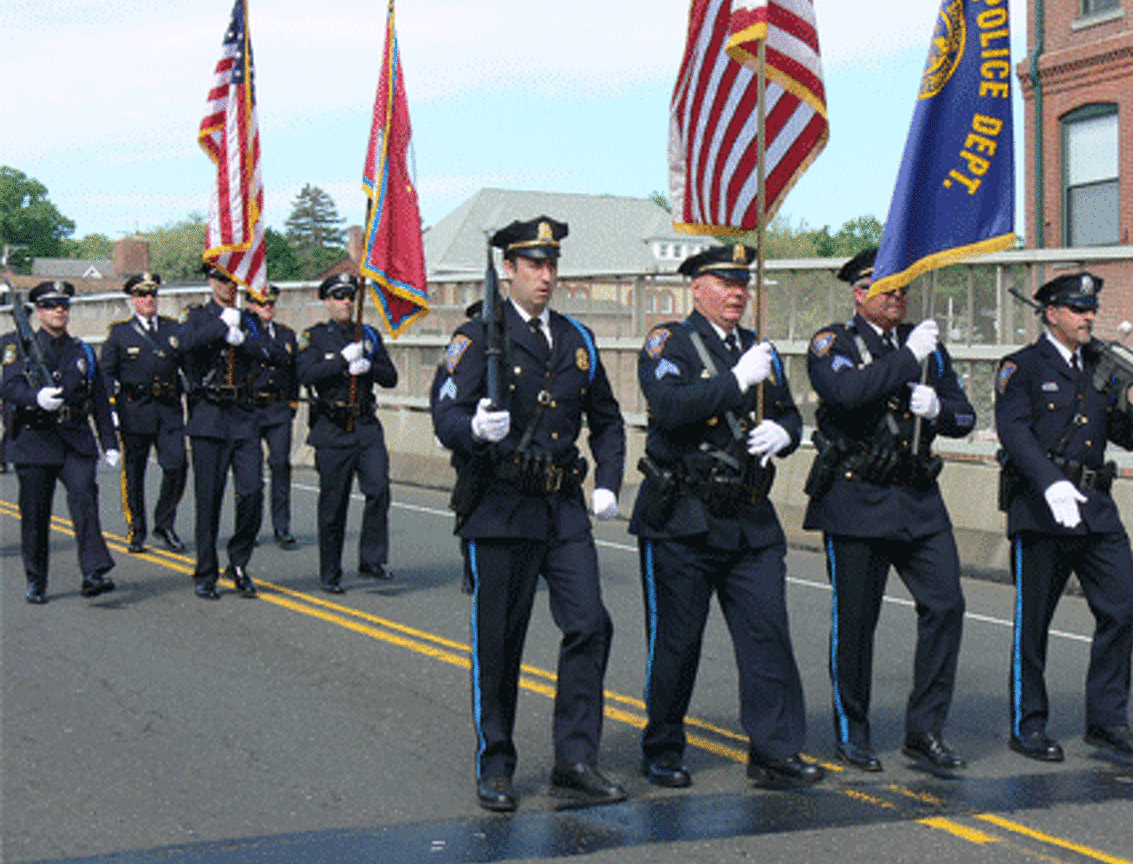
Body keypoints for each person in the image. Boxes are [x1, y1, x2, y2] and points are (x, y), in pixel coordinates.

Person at [430, 216, 626, 813]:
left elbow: (608, 418)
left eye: (552, 265)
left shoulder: (575, 339)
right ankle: (497, 763)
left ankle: (575, 759)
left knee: (590, 622)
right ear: (508, 270)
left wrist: (608, 482)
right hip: (500, 507)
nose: (545, 276)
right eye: (533, 265)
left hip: (561, 508)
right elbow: (444, 414)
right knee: (500, 642)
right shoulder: (476, 337)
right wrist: (472, 429)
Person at [629, 242, 823, 792]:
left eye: (743, 284)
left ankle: (775, 750)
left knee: (767, 637)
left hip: (749, 518)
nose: (736, 293)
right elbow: (668, 407)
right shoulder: (671, 342)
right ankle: (663, 746)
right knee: (677, 641)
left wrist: (786, 432)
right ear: (696, 287)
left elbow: (786, 411)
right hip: (684, 517)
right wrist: (735, 381)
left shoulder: (760, 350)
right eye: (724, 283)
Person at [995, 272, 1133, 762]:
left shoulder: (1099, 366)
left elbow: (1125, 429)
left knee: (1122, 609)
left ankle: (1107, 720)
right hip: (1041, 508)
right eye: (1079, 309)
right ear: (1052, 312)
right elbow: (1014, 433)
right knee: (1033, 623)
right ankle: (1029, 724)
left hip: (1096, 509)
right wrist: (1050, 482)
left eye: (1092, 310)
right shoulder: (1020, 367)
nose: (1089, 318)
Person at [803, 247, 975, 773]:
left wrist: (938, 408)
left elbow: (965, 416)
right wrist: (907, 359)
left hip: (918, 497)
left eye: (904, 288)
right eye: (888, 289)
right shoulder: (834, 342)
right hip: (857, 497)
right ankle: (853, 729)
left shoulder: (927, 349)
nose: (900, 297)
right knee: (856, 623)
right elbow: (847, 391)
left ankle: (925, 731)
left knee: (946, 606)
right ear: (861, 294)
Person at [1, 281, 120, 602]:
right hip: (35, 439)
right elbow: (8, 386)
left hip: (74, 439)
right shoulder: (17, 345)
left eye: (64, 306)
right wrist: (34, 397)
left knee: (84, 498)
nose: (59, 312)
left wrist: (109, 442)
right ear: (39, 311)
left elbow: (98, 399)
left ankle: (93, 571)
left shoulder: (81, 350)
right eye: (52, 306)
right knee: (35, 514)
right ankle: (36, 579)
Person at [178, 263, 279, 600]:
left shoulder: (249, 319)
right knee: (209, 499)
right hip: (209, 415)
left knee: (252, 492)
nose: (228, 285)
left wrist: (244, 340)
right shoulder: (196, 316)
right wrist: (219, 329)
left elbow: (273, 353)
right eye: (222, 279)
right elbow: (184, 345)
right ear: (211, 281)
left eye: (233, 279)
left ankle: (238, 562)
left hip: (244, 415)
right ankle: (205, 571)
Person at [297, 273, 398, 592]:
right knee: (333, 504)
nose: (346, 303)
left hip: (366, 426)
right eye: (339, 297)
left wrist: (369, 364)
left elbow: (391, 377)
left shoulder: (368, 334)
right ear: (327, 302)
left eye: (350, 297)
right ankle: (330, 571)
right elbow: (306, 373)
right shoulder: (315, 336)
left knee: (379, 488)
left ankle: (371, 559)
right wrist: (341, 361)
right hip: (333, 427)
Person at [100, 272, 188, 554]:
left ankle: (164, 523)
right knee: (134, 473)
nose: (149, 300)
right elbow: (105, 374)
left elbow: (188, 364)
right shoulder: (119, 333)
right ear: (133, 300)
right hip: (134, 409)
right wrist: (111, 408)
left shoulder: (173, 329)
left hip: (169, 410)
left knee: (177, 466)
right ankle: (136, 529)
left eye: (152, 295)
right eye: (142, 295)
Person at [245, 285, 300, 548]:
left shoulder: (286, 334)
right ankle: (250, 527)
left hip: (278, 409)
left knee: (280, 466)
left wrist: (291, 405)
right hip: (252, 408)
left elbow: (294, 373)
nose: (268, 306)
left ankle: (282, 526)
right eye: (262, 303)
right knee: (251, 473)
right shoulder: (245, 332)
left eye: (271, 303)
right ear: (250, 305)